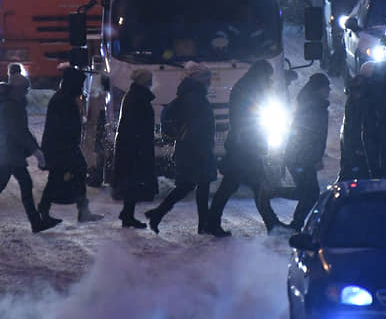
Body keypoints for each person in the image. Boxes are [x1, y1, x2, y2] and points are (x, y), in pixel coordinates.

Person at [205, 60, 284, 236]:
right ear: (261, 74)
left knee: (245, 185)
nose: (268, 79)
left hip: (245, 146)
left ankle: (271, 223)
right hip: (245, 147)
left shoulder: (247, 87)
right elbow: (248, 118)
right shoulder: (249, 89)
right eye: (267, 76)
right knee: (244, 185)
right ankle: (271, 224)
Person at [0, 82, 58, 233]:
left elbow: (17, 131)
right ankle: (35, 222)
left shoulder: (5, 106)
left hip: (7, 153)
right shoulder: (12, 107)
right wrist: (35, 150)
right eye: (24, 89)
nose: (26, 92)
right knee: (22, 185)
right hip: (11, 154)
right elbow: (20, 132)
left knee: (1, 186)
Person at [145, 62, 216, 234]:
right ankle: (201, 225)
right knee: (195, 185)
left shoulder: (189, 94)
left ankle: (159, 214)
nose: (209, 81)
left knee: (191, 185)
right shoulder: (195, 97)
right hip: (196, 148)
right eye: (207, 78)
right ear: (199, 79)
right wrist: (203, 146)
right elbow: (198, 125)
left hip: (191, 147)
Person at [38, 66, 103, 226]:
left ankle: (80, 210)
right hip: (62, 148)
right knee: (60, 177)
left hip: (63, 147)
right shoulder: (63, 100)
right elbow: (63, 127)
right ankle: (46, 210)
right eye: (80, 84)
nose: (81, 88)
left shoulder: (64, 98)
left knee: (71, 175)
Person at [283, 73, 331, 231]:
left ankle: (296, 224)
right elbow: (313, 136)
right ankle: (274, 192)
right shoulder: (314, 107)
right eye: (326, 87)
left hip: (299, 155)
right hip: (301, 157)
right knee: (310, 193)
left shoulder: (311, 104)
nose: (329, 90)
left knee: (307, 192)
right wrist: (314, 158)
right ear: (318, 89)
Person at [112, 69, 158, 228]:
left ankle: (127, 214)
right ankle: (127, 215)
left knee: (132, 180)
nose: (151, 82)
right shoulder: (137, 98)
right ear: (143, 81)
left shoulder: (134, 96)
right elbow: (136, 125)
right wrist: (140, 145)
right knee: (133, 180)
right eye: (149, 79)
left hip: (132, 145)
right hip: (135, 147)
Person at [338, 65, 380, 181]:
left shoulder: (356, 93)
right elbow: (357, 123)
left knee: (348, 175)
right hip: (358, 146)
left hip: (352, 144)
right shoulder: (363, 95)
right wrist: (359, 146)